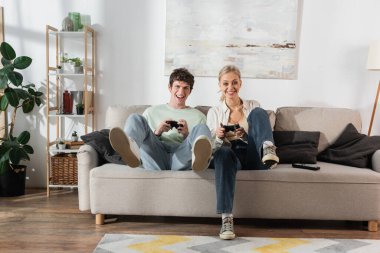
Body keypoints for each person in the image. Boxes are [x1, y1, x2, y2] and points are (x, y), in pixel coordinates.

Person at [207, 65, 279, 240]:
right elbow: (211, 151)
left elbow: (257, 129)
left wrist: (245, 136)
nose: (230, 88)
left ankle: (268, 148)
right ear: (219, 85)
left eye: (234, 83)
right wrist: (218, 137)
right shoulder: (214, 112)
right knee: (222, 154)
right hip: (230, 155)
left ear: (241, 83)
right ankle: (226, 220)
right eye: (225, 83)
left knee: (259, 112)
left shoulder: (253, 105)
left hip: (253, 152)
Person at [109, 67, 212, 172]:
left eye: (186, 88)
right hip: (156, 156)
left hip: (182, 156)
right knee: (135, 118)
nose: (181, 92)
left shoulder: (199, 116)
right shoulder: (151, 112)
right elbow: (147, 139)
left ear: (190, 91)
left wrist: (187, 135)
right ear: (170, 87)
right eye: (177, 86)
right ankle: (131, 149)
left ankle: (201, 160)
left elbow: (203, 141)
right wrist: (157, 132)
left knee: (202, 127)